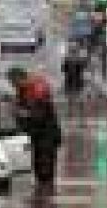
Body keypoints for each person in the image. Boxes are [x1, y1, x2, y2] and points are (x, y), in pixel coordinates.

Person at [8, 66, 62, 195]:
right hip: (36, 134)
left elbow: (40, 113)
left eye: (13, 82)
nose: (13, 85)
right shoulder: (23, 90)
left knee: (45, 168)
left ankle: (46, 199)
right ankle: (41, 200)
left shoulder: (37, 88)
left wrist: (23, 114)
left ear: (20, 78)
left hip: (47, 134)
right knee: (38, 166)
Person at [61, 42, 88, 116]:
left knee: (72, 99)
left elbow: (63, 69)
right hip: (77, 81)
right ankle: (79, 115)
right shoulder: (79, 59)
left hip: (71, 81)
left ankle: (71, 113)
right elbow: (84, 68)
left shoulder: (67, 59)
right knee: (78, 100)